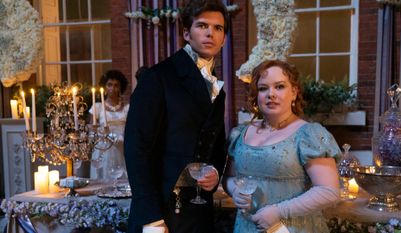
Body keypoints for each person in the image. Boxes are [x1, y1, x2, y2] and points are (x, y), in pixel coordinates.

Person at [124, 0, 229, 232]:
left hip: (198, 211)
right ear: (186, 33)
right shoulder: (158, 77)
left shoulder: (217, 88)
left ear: (223, 39)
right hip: (161, 210)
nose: (210, 33)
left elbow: (216, 146)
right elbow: (136, 148)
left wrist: (213, 171)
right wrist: (150, 217)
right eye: (202, 26)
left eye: (218, 28)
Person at [222, 60, 341, 233]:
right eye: (263, 88)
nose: (271, 94)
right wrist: (235, 190)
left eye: (279, 86)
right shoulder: (239, 133)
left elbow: (328, 191)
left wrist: (278, 211)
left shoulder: (309, 134)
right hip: (246, 226)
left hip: (291, 227)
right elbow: (229, 178)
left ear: (294, 92)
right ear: (256, 95)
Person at [89, 69, 129, 181]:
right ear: (105, 87)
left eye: (116, 85)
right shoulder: (97, 108)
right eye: (109, 85)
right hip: (103, 149)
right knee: (102, 182)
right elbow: (92, 132)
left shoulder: (127, 108)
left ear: (120, 87)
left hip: (121, 148)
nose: (112, 88)